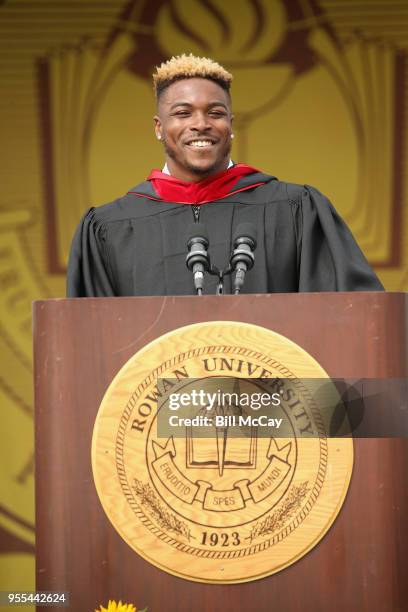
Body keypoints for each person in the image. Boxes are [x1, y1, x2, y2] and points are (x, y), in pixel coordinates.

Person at [67, 54, 383, 297]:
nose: (200, 123)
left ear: (231, 125)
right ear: (159, 128)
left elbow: (353, 316)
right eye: (183, 113)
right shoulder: (109, 228)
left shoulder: (295, 209)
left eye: (215, 113)